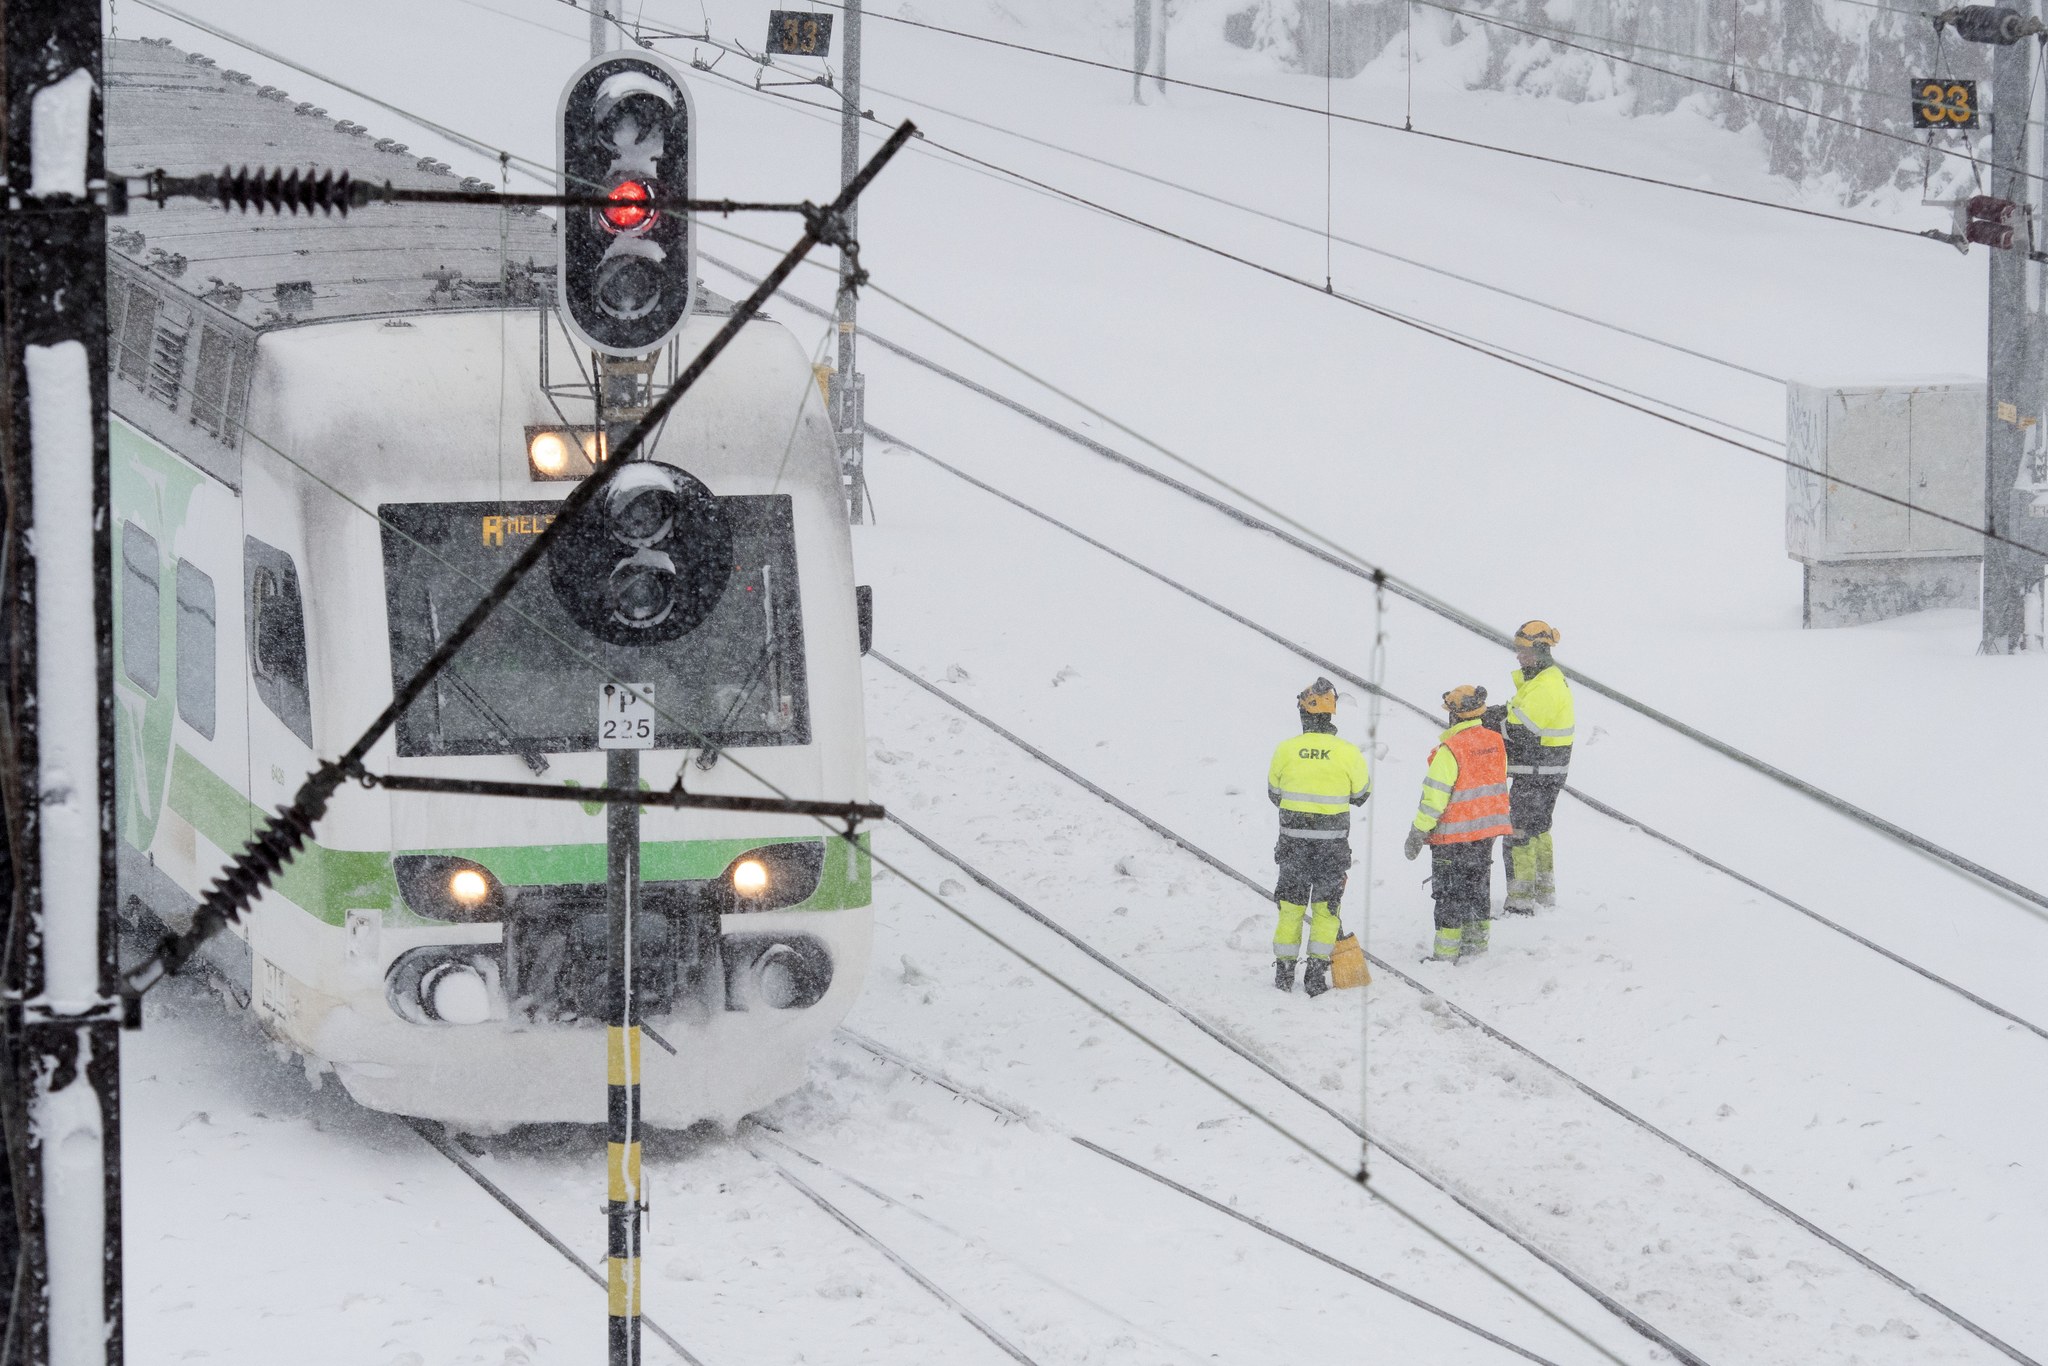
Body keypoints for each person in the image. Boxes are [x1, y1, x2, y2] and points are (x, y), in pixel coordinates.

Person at [1267, 678, 1371, 997]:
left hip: (1293, 847)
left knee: (1291, 907)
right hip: (1331, 848)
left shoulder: (1285, 750)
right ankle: (1316, 972)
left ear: (1304, 715)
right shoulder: (1348, 752)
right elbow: (1361, 794)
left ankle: (1284, 972)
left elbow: (1274, 794)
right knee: (1327, 909)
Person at [1404, 685, 1513, 963]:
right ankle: (1477, 947)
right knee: (1477, 887)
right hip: (1485, 832)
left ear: (1454, 715)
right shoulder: (1495, 742)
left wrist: (1418, 830)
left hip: (1453, 837)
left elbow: (1434, 798)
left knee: (1450, 893)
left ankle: (1445, 955)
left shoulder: (1450, 749)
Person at [1486, 620, 1575, 915]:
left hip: (1538, 772)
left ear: (1539, 650)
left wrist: (1488, 724)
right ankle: (1543, 893)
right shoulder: (1540, 682)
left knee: (1519, 832)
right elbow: (1517, 713)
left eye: (1523, 650)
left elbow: (1520, 730)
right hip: (1541, 771)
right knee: (1537, 830)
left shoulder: (1546, 686)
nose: (1518, 656)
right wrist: (1497, 714)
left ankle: (1521, 903)